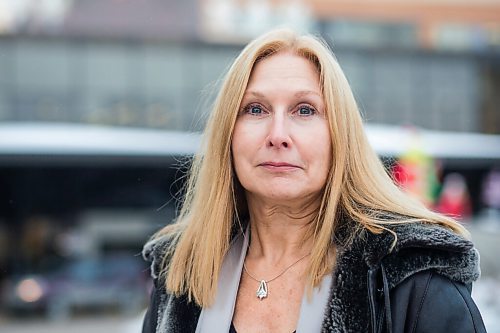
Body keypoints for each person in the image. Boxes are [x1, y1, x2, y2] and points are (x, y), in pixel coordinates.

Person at [141, 29, 487, 333]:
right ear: (227, 136)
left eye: (304, 110)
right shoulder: (181, 274)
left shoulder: (412, 276)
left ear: (340, 136)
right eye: (255, 110)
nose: (278, 135)